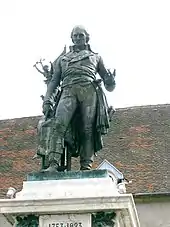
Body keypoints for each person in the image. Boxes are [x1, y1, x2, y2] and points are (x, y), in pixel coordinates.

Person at [43, 25, 116, 171]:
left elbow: (109, 86)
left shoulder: (96, 57)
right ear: (72, 38)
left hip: (89, 91)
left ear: (86, 37)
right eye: (75, 35)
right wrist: (47, 100)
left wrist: (110, 81)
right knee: (58, 125)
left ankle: (86, 165)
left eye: (80, 35)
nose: (77, 38)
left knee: (87, 129)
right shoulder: (63, 59)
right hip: (68, 90)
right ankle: (53, 164)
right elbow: (54, 82)